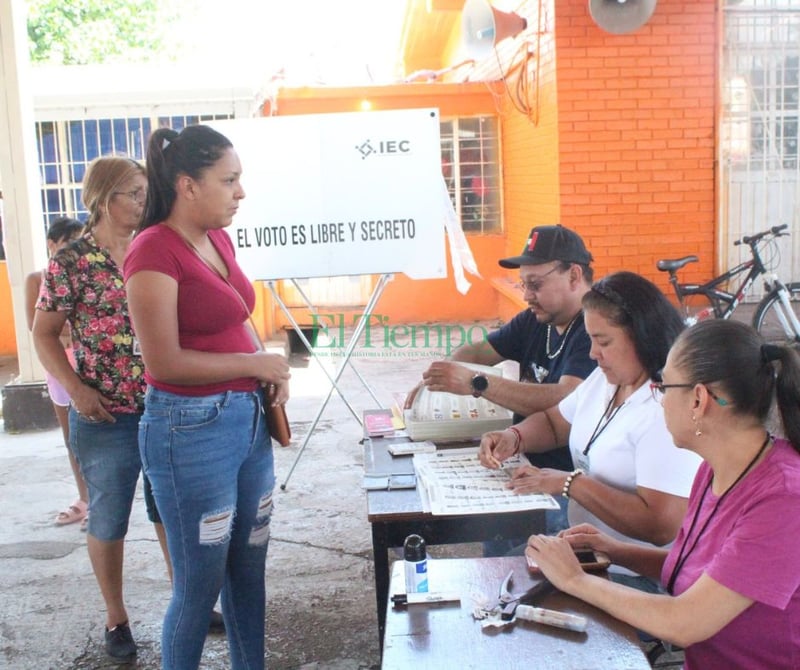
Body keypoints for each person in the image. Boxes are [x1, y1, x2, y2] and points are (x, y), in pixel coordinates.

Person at [526, 319, 800, 669]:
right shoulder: (715, 468)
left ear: (698, 399)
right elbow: (700, 570)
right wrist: (614, 551)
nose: (659, 398)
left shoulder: (784, 499)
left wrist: (573, 579)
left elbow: (684, 623)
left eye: (664, 386)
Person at [124, 124, 291, 670]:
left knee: (249, 568)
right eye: (229, 180)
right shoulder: (151, 252)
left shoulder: (217, 236)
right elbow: (163, 363)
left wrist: (269, 369)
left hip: (245, 423)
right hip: (189, 431)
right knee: (199, 583)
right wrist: (251, 363)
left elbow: (233, 315)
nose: (240, 192)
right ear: (187, 185)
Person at [479, 271, 702, 587]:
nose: (592, 353)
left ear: (642, 335)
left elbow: (659, 526)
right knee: (497, 578)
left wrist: (570, 483)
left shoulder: (665, 407)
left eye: (603, 341)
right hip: (589, 556)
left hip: (639, 575)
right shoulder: (606, 379)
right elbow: (556, 423)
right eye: (590, 339)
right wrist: (514, 437)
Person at [408, 224, 597, 537]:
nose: (526, 296)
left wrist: (478, 383)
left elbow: (569, 399)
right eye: (523, 284)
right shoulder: (539, 320)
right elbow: (479, 352)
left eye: (535, 284)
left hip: (568, 479)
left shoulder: (596, 327)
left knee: (503, 537)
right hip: (522, 456)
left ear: (574, 276)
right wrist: (436, 377)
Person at [32, 157, 148, 659]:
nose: (144, 203)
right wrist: (77, 390)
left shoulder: (155, 248)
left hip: (167, 406)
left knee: (172, 512)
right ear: (102, 199)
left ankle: (188, 602)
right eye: (134, 194)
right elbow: (43, 334)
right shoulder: (72, 261)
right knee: (108, 518)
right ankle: (116, 618)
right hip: (105, 415)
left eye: (147, 192)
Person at [24, 216, 87, 528]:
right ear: (52, 244)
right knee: (71, 437)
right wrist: (73, 332)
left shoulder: (87, 274)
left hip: (91, 363)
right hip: (60, 366)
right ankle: (84, 497)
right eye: (69, 243)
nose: (75, 250)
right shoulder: (37, 279)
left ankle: (102, 502)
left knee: (101, 435)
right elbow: (37, 329)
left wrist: (67, 332)